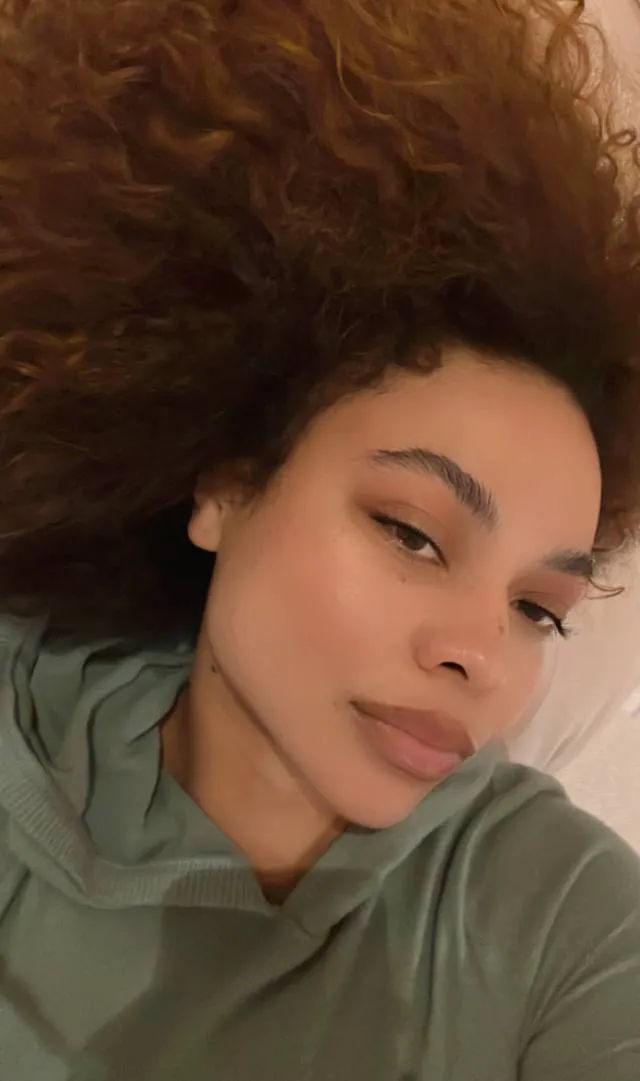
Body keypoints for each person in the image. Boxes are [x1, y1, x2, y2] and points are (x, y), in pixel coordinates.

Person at [0, 1, 639, 1078]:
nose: (478, 655)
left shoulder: (563, 925)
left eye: (537, 608)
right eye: (412, 534)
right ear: (225, 488)